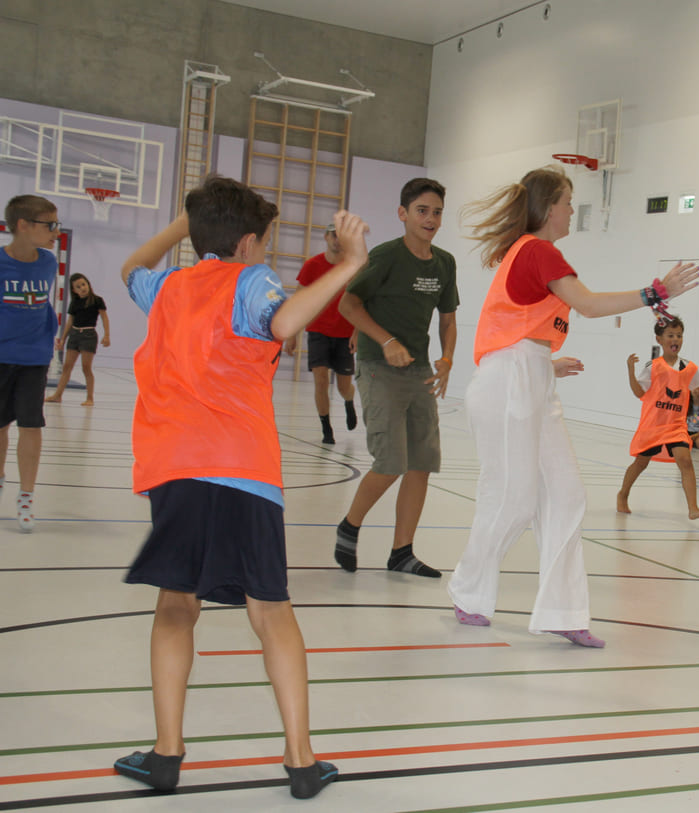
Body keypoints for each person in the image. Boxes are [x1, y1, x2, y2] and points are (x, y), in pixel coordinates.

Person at [115, 176, 370, 798]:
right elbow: (283, 323)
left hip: (175, 468)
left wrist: (187, 222)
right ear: (251, 241)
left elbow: (130, 267)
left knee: (176, 606)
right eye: (264, 242)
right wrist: (353, 263)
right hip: (241, 468)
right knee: (271, 610)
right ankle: (302, 761)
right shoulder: (250, 279)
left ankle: (167, 753)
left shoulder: (170, 285)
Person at [447, 165, 699, 647]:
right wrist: (656, 292)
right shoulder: (538, 250)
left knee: (566, 494)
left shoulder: (539, 253)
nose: (570, 210)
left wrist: (545, 363)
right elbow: (586, 303)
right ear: (547, 208)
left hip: (531, 374)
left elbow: (525, 327)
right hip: (508, 382)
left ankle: (562, 610)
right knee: (515, 498)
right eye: (566, 201)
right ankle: (468, 589)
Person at [333, 178, 458, 579]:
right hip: (378, 368)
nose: (431, 219)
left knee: (421, 463)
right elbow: (348, 303)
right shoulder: (385, 257)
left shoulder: (444, 263)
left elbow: (448, 318)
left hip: (420, 372)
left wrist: (447, 358)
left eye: (437, 212)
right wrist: (385, 340)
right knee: (390, 462)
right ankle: (350, 525)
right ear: (403, 214)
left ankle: (402, 551)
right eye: (422, 211)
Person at [618, 317, 699, 519]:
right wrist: (630, 371)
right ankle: (623, 494)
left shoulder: (689, 368)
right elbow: (639, 393)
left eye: (679, 335)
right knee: (641, 463)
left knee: (685, 460)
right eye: (671, 335)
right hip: (653, 426)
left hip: (676, 425)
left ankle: (693, 508)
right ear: (660, 339)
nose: (676, 339)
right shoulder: (653, 366)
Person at [0, 195, 60, 532]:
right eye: (48, 225)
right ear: (23, 225)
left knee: (31, 425)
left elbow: (43, 308)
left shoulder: (48, 263)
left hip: (34, 358)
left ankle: (26, 495)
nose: (55, 231)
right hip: (1, 357)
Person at [285, 225, 358, 445]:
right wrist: (292, 333)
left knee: (344, 386)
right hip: (317, 331)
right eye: (334, 235)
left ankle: (349, 401)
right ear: (327, 237)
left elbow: (361, 302)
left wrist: (357, 332)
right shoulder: (312, 266)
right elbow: (299, 301)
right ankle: (327, 428)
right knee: (321, 379)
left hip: (344, 333)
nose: (337, 240)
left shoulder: (353, 268)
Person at [45, 273, 110, 406]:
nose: (82, 288)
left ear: (88, 284)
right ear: (74, 290)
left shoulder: (97, 300)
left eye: (83, 284)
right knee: (67, 367)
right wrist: (63, 339)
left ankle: (90, 398)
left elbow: (104, 317)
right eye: (78, 287)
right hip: (75, 335)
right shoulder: (74, 303)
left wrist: (106, 335)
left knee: (86, 367)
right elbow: (70, 321)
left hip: (88, 335)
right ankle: (58, 395)